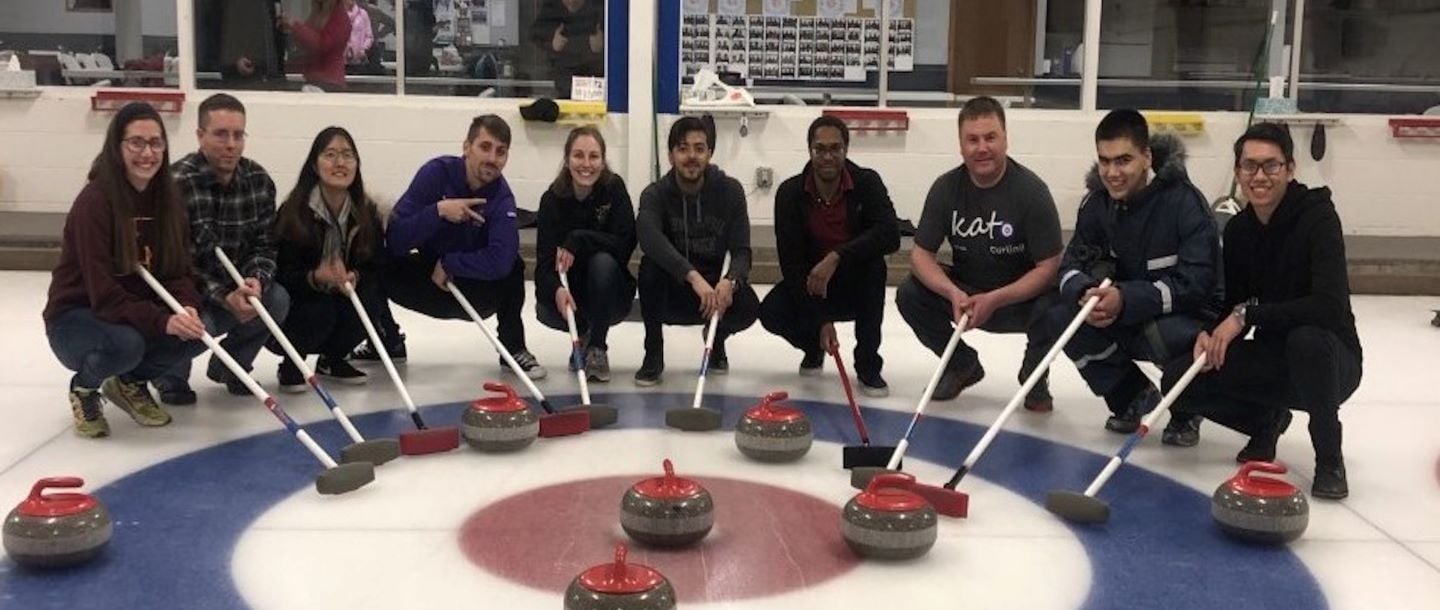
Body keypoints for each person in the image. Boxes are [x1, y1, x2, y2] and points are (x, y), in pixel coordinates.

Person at [1162, 123, 1362, 499]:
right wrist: (1211, 332)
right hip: (1276, 359)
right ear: (1237, 173)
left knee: (1307, 341)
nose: (1259, 177)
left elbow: (1329, 308)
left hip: (1332, 363)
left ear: (1290, 168)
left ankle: (1330, 460)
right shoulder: (1239, 230)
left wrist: (1247, 317)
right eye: (1249, 166)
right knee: (1178, 378)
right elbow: (1231, 301)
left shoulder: (1317, 219)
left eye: (1271, 166)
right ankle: (1265, 422)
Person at [1047, 109, 1221, 435]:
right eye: (1104, 161)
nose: (1112, 172)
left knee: (1166, 335)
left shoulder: (1184, 204)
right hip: (1122, 315)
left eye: (1123, 160)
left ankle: (1187, 409)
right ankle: (1131, 396)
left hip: (1182, 320)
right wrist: (1085, 293)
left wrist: (1126, 299)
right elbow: (1069, 265)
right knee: (1060, 317)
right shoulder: (1096, 204)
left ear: (1147, 157)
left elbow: (1198, 284)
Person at [43, 102, 208, 438]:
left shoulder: (168, 200)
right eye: (136, 142)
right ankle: (85, 387)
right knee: (127, 344)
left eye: (156, 143)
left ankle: (128, 383)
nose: (147, 153)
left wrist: (186, 306)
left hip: (131, 313)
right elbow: (103, 297)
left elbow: (179, 272)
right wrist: (163, 320)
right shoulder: (95, 203)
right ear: (117, 147)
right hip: (78, 318)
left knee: (198, 331)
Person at [896, 97, 1064, 407]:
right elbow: (920, 256)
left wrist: (996, 299)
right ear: (961, 146)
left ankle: (1034, 375)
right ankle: (961, 365)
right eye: (972, 140)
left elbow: (1049, 267)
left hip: (1019, 299)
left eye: (990, 137)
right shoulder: (946, 189)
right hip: (967, 296)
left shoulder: (1032, 192)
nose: (982, 147)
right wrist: (951, 292)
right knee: (909, 293)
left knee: (1058, 304)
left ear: (1005, 139)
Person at [352, 115, 547, 379]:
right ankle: (386, 339)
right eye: (485, 147)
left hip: (474, 289)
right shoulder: (436, 174)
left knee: (513, 266)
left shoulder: (502, 199)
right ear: (467, 147)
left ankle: (513, 348)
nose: (492, 158)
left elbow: (500, 261)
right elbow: (396, 238)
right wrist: (438, 211)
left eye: (501, 152)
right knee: (373, 257)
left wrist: (451, 264)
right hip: (430, 281)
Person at [154, 93, 290, 405]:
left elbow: (265, 244)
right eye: (220, 134)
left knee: (277, 299)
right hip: (191, 293)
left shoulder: (258, 180)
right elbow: (176, 264)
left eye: (238, 135)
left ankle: (232, 366)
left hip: (236, 288)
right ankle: (170, 376)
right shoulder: (175, 184)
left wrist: (256, 280)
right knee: (191, 321)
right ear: (200, 136)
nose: (231, 144)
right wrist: (222, 296)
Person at [759, 115, 899, 396]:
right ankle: (813, 346)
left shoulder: (867, 183)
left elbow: (889, 235)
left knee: (875, 268)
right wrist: (820, 320)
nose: (827, 156)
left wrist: (837, 256)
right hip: (813, 285)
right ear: (809, 150)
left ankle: (868, 364)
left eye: (835, 149)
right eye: (819, 149)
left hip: (855, 282)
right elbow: (792, 263)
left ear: (846, 150)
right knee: (771, 310)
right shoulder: (789, 194)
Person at [634, 116, 758, 386]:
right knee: (649, 270)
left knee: (748, 304)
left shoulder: (731, 191)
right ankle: (653, 353)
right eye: (683, 148)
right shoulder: (654, 194)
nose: (692, 156)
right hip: (677, 291)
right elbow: (648, 238)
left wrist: (730, 282)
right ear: (670, 156)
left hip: (715, 296)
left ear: (710, 153)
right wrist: (690, 275)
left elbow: (742, 251)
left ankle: (716, 339)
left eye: (699, 149)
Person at [268, 127, 386, 391]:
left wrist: (356, 276)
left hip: (343, 294)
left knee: (370, 301)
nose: (340, 163)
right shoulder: (294, 212)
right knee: (319, 312)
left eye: (347, 155)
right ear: (314, 164)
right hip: (303, 302)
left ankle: (333, 359)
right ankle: (291, 363)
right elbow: (281, 274)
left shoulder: (366, 212)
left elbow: (378, 265)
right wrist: (314, 278)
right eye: (330, 155)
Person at [533, 126, 636, 382]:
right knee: (549, 302)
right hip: (570, 294)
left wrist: (578, 239)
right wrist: (557, 289)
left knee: (602, 262)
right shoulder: (551, 200)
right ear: (567, 160)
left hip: (611, 291)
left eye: (594, 156)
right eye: (578, 155)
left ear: (603, 160)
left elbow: (625, 244)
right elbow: (544, 266)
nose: (586, 164)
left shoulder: (613, 189)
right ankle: (582, 337)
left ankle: (597, 348)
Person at [532, 0, 605, 98]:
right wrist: (552, 44)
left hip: (596, 82)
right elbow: (534, 37)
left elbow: (624, 42)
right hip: (563, 83)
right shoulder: (552, 7)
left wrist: (603, 46)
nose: (571, 2)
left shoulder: (602, 7)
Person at [279, 0, 353, 91]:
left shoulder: (341, 19)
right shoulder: (318, 15)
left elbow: (322, 45)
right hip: (315, 80)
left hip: (330, 82)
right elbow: (307, 44)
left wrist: (295, 26)